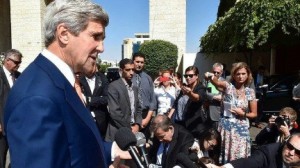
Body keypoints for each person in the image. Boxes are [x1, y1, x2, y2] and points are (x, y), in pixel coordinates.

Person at [3, 1, 114, 167]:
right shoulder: (36, 98)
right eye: (96, 37)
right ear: (63, 34)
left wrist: (111, 151)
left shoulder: (58, 79)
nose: (102, 48)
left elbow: (75, 149)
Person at [205, 62, 257, 164]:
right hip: (226, 128)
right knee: (225, 155)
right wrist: (210, 76)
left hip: (241, 129)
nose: (240, 76)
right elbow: (216, 82)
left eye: (243, 74)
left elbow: (254, 114)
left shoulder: (250, 92)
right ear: (233, 75)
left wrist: (243, 114)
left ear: (248, 75)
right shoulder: (227, 86)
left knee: (240, 156)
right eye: (238, 74)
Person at [207, 133, 300, 168]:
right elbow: (251, 161)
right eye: (290, 147)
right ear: (285, 143)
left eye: (298, 152)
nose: (291, 153)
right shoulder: (270, 152)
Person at [105, 58, 142, 142]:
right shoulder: (113, 86)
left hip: (134, 130)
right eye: (128, 70)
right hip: (118, 131)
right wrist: (129, 128)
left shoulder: (135, 88)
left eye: (133, 70)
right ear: (121, 70)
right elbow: (114, 112)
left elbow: (138, 108)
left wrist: (137, 125)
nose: (131, 72)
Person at [169, 66, 209, 137]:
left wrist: (190, 93)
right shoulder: (185, 87)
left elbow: (197, 98)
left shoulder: (200, 88)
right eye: (186, 76)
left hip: (195, 125)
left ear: (197, 76)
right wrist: (168, 118)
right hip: (181, 123)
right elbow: (176, 103)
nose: (188, 78)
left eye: (190, 76)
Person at [0, 49, 22, 168]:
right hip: (2, 125)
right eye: (16, 62)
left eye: (19, 63)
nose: (18, 65)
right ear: (7, 60)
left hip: (16, 125)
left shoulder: (19, 76)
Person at [131, 52, 157, 139]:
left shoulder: (148, 78)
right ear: (133, 61)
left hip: (145, 115)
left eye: (142, 62)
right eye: (137, 62)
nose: (139, 64)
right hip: (132, 115)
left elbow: (152, 100)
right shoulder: (128, 77)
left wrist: (147, 118)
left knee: (145, 143)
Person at [80, 63, 109, 137]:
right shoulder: (78, 80)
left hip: (101, 120)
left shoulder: (103, 79)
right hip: (84, 118)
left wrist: (88, 100)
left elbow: (107, 98)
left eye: (93, 65)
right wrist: (99, 98)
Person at [204, 62, 225, 130]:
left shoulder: (224, 82)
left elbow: (224, 96)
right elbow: (206, 93)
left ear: (221, 72)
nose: (215, 74)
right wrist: (215, 97)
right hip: (207, 112)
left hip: (218, 113)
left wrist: (219, 97)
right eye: (214, 72)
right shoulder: (208, 81)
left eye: (218, 72)